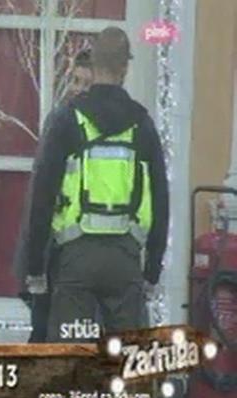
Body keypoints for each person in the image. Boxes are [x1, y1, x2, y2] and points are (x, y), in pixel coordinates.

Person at [18, 27, 169, 342]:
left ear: (95, 63)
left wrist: (35, 268)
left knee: (71, 357)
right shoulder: (142, 124)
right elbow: (160, 200)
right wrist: (152, 270)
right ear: (125, 68)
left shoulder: (67, 120)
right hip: (126, 259)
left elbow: (42, 196)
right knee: (126, 358)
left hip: (75, 259)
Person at [15, 49, 94, 343]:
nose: (79, 89)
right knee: (43, 326)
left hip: (82, 249)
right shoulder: (59, 121)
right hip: (52, 242)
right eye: (75, 80)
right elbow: (41, 191)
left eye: (87, 83)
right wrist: (32, 262)